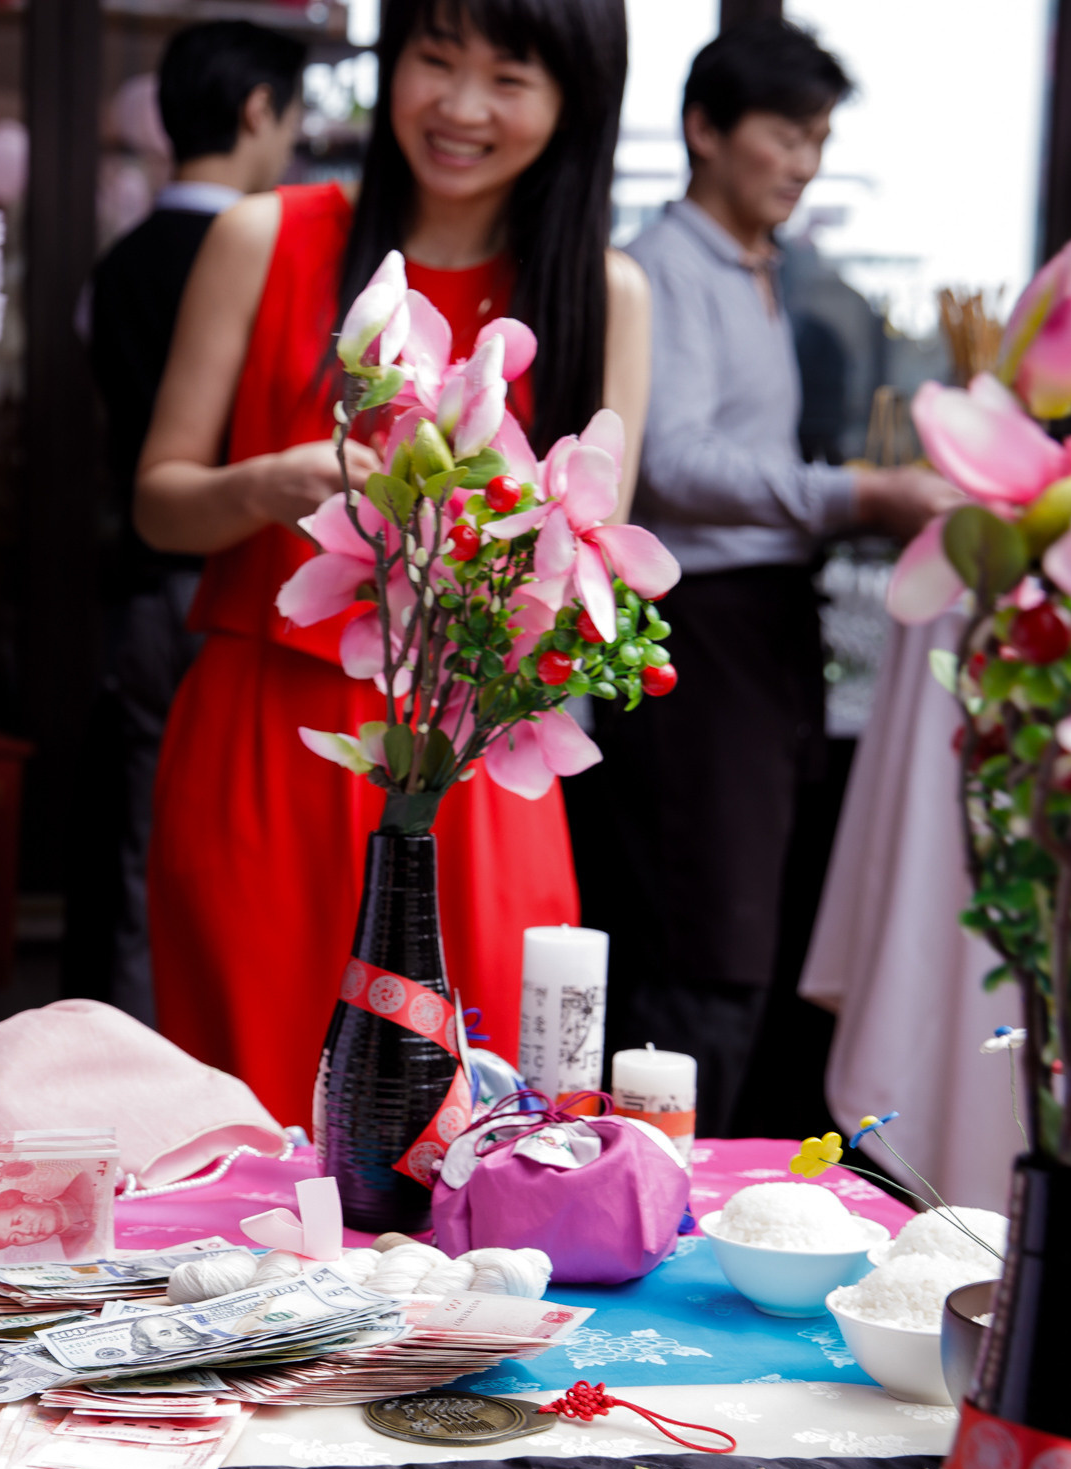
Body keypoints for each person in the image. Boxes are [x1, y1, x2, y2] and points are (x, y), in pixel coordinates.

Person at [134, 0, 650, 1128]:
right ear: (390, 65)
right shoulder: (264, 236)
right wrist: (264, 485)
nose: (460, 108)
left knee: (477, 1131)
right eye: (434, 59)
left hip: (480, 767)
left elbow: (590, 583)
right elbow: (158, 504)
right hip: (265, 741)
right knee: (249, 1126)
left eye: (509, 77)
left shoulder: (601, 293)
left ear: (572, 103)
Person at [589, 21, 958, 1130]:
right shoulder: (661, 269)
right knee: (704, 937)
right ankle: (654, 1185)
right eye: (785, 135)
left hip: (764, 625)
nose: (802, 162)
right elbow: (673, 461)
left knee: (754, 930)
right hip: (694, 630)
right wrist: (858, 493)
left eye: (818, 139)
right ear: (704, 129)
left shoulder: (764, 270)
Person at [82, 21, 308, 1024]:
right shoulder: (272, 259)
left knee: (144, 853)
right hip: (256, 599)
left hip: (141, 589)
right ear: (259, 109)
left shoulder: (118, 264)